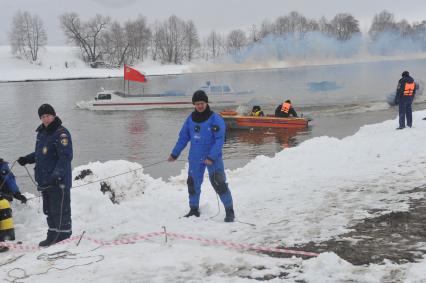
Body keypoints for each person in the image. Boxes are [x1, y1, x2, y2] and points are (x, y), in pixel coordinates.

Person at [168, 90, 235, 222]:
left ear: (206, 103)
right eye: (197, 104)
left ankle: (229, 211)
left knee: (219, 183)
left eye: (202, 103)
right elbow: (183, 137)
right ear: (194, 104)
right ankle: (194, 209)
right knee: (192, 183)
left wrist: (211, 157)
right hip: (195, 156)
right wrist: (175, 153)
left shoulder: (216, 118)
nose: (200, 106)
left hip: (213, 157)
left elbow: (220, 140)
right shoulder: (190, 119)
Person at [17, 104, 73, 247]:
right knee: (49, 210)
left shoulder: (61, 133)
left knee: (60, 209)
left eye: (48, 116)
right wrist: (27, 159)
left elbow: (65, 157)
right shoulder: (42, 133)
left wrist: (57, 174)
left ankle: (64, 235)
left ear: (54, 115)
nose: (46, 119)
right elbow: (41, 154)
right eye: (43, 117)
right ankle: (53, 234)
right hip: (44, 180)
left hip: (58, 181)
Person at [0, 159, 27, 252]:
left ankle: (1, 242)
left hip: (3, 198)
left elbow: (10, 182)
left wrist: (17, 194)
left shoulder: (2, 168)